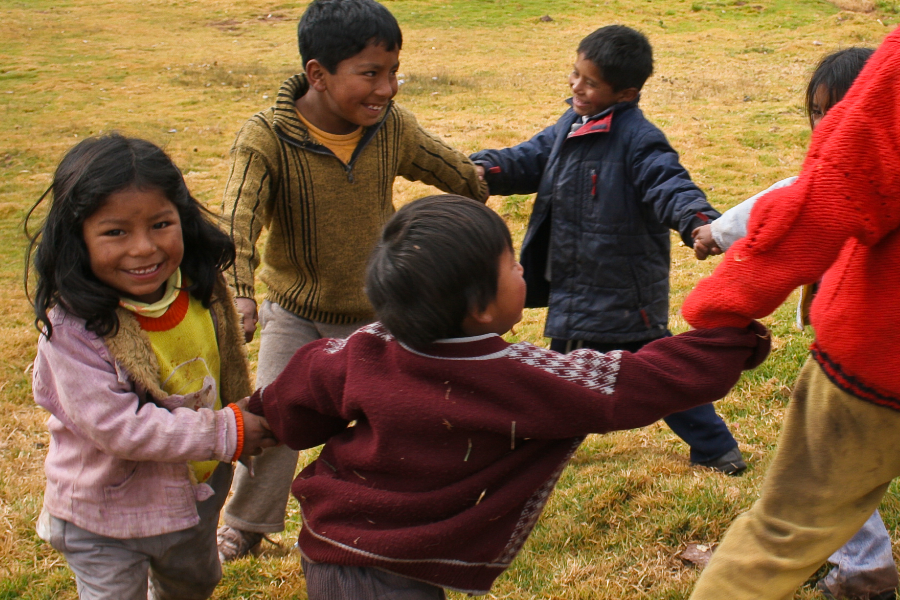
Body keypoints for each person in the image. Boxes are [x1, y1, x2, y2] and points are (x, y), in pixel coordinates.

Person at [245, 194, 770, 599]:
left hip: (333, 547)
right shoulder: (510, 374)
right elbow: (633, 382)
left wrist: (248, 423)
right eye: (512, 264)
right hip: (381, 572)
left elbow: (294, 394)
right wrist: (730, 342)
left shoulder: (363, 347)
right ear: (478, 307)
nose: (523, 271)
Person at [217, 0, 489, 561]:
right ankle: (246, 522)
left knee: (397, 417)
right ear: (317, 74)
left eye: (393, 72)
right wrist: (240, 294)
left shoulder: (393, 128)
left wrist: (503, 180)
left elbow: (457, 172)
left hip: (379, 311)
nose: (387, 88)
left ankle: (391, 511)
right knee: (275, 417)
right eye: (370, 73)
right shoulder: (265, 139)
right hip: (295, 313)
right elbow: (238, 222)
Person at [683, 26, 900, 600]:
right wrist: (713, 232)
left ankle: (861, 568)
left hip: (872, 369)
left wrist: (718, 306)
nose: (826, 126)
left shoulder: (885, 100)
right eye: (817, 113)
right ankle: (865, 566)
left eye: (838, 113)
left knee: (790, 520)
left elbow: (803, 208)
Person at [470, 25, 744, 475]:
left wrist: (698, 221)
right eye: (575, 74)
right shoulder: (571, 125)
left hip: (618, 287)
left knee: (577, 380)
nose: (577, 86)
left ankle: (533, 451)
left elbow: (668, 182)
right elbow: (532, 158)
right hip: (582, 286)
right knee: (639, 376)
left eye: (590, 82)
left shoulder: (638, 138)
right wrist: (484, 169)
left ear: (626, 93)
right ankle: (714, 446)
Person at [25, 134, 276, 600]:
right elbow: (119, 427)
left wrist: (246, 412)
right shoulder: (74, 329)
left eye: (161, 224)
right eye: (115, 232)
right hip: (105, 516)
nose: (143, 248)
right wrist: (227, 432)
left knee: (195, 584)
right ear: (76, 237)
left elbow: (225, 374)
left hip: (193, 498)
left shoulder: (198, 287)